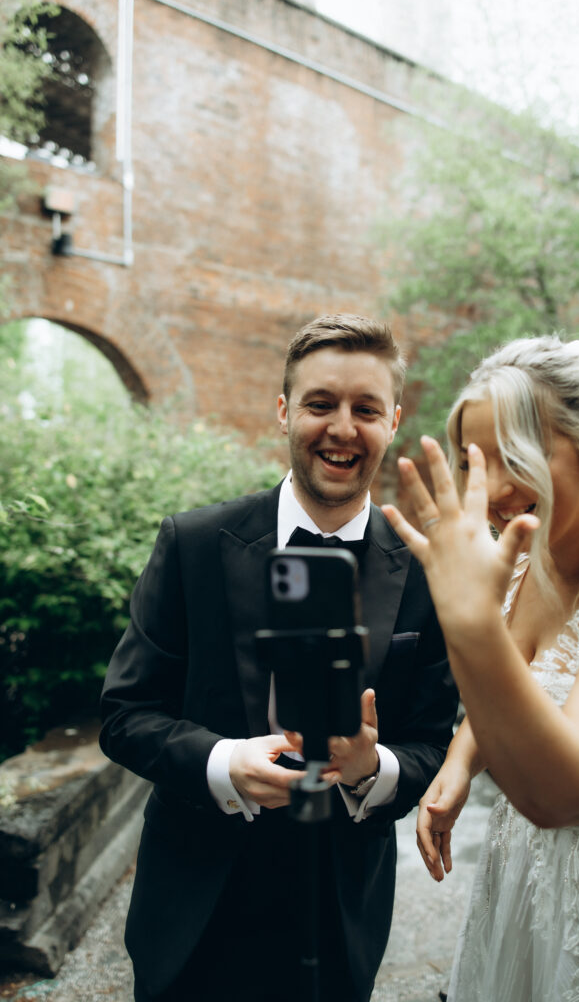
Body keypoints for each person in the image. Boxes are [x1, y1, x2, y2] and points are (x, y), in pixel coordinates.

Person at [99, 314, 458, 1002]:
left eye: (365, 409)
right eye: (320, 403)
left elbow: (430, 742)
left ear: (392, 421)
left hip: (339, 910)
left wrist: (373, 768)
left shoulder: (423, 568)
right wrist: (221, 762)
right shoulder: (194, 544)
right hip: (196, 898)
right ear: (283, 411)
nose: (342, 428)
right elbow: (124, 714)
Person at [381, 335, 579, 1002]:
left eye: (515, 458)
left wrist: (467, 626)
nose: (487, 492)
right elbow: (518, 672)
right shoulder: (531, 551)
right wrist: (458, 767)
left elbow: (567, 795)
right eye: (472, 463)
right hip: (525, 892)